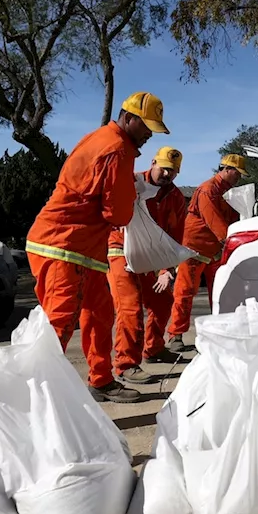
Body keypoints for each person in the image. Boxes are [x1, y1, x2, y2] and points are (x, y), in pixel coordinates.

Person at [25, 91, 169, 403]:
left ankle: (101, 381)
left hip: (79, 247)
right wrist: (133, 195)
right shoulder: (118, 150)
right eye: (145, 126)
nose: (147, 134)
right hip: (64, 244)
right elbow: (116, 213)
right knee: (60, 322)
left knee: (100, 313)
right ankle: (36, 396)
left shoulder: (101, 138)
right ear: (128, 118)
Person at [106, 146, 188, 385]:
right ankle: (126, 364)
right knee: (130, 306)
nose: (167, 175)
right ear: (153, 162)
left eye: (173, 172)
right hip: (120, 250)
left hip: (146, 256)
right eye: (164, 168)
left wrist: (167, 269)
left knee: (163, 302)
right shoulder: (131, 183)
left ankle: (153, 349)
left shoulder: (174, 197)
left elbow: (174, 234)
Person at [166, 154, 246, 353]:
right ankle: (175, 335)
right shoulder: (208, 190)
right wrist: (230, 241)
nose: (239, 179)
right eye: (237, 174)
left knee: (219, 293)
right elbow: (214, 220)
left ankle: (216, 332)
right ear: (227, 169)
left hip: (215, 251)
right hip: (194, 249)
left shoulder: (230, 194)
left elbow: (235, 218)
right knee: (184, 292)